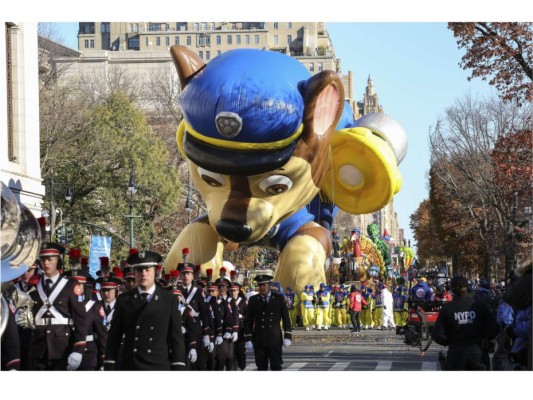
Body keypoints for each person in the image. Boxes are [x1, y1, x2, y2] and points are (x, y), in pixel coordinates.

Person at [103, 250, 186, 371]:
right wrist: (109, 363)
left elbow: (176, 338)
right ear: (134, 273)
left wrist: (178, 366)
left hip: (158, 365)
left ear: (155, 272)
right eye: (139, 270)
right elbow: (114, 337)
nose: (143, 274)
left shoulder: (169, 300)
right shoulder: (124, 300)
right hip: (131, 365)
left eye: (147, 270)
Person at [26, 242, 88, 371]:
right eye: (43, 259)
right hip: (38, 346)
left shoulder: (70, 285)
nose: (46, 263)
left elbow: (81, 319)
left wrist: (78, 349)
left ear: (57, 260)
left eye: (50, 259)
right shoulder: (33, 285)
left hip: (62, 347)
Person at [432, 276, 499, 370]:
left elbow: (437, 334)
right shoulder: (479, 306)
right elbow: (494, 328)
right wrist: (485, 338)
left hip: (456, 354)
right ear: (467, 287)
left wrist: (451, 341)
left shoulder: (447, 308)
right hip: (478, 353)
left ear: (452, 289)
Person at [244, 272, 292, 370]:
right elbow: (248, 320)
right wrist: (248, 338)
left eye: (264, 285)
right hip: (259, 339)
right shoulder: (253, 300)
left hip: (274, 339)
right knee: (261, 367)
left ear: (269, 285)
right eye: (260, 285)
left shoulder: (279, 298)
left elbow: (286, 318)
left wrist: (288, 336)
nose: (262, 287)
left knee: (276, 366)